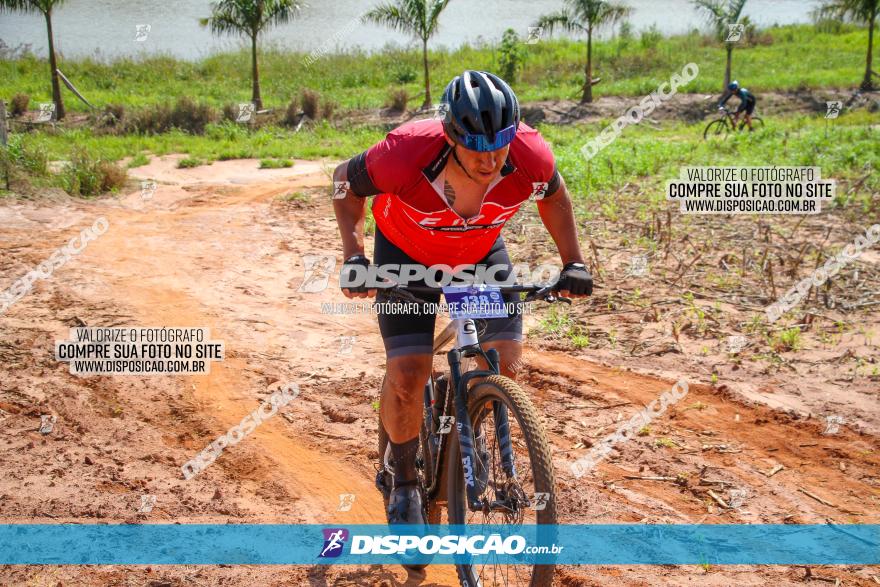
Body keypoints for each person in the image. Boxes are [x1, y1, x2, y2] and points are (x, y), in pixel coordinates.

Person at [331, 70, 593, 525]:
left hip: (477, 255)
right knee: (409, 372)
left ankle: (461, 417)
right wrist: (354, 254)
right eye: (475, 145)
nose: (489, 158)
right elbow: (343, 183)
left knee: (503, 361)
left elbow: (554, 194)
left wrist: (573, 260)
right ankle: (406, 481)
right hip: (404, 257)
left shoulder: (531, 155)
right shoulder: (405, 154)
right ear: (451, 135)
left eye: (500, 143)